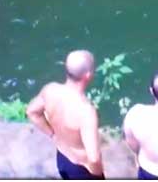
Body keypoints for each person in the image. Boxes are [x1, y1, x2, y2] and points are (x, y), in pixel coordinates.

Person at [27, 50, 104, 179]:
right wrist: (97, 175)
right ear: (88, 75)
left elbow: (32, 112)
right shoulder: (86, 111)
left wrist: (53, 134)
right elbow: (94, 158)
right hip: (81, 168)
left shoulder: (50, 90)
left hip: (62, 158)